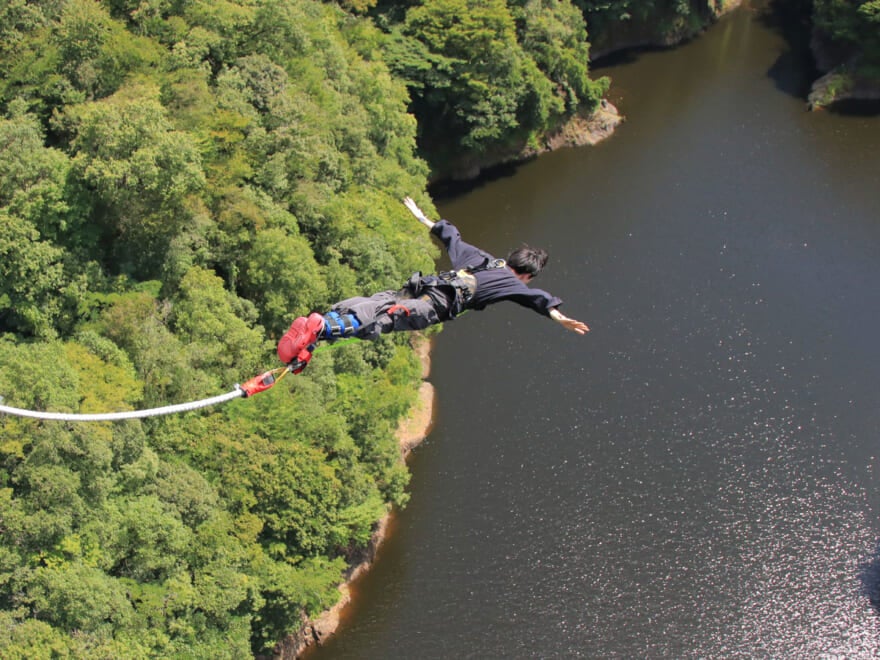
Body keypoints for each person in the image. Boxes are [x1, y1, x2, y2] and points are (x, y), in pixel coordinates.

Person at [277, 197, 590, 371]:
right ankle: (321, 331)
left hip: (422, 286)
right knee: (386, 317)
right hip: (432, 305)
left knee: (375, 301)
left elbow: (451, 237)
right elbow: (538, 298)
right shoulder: (513, 284)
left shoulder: (483, 259)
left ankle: (319, 327)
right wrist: (560, 317)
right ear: (526, 274)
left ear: (510, 258)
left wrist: (423, 217)